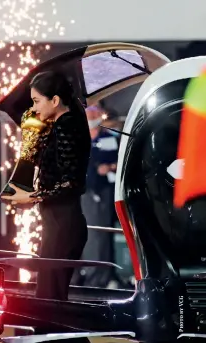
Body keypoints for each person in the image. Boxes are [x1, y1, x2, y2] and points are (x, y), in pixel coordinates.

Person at [1, 70, 91, 300]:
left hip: (64, 222)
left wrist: (32, 197)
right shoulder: (57, 125)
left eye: (36, 101)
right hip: (58, 223)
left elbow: (71, 183)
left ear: (55, 100)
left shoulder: (67, 126)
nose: (33, 108)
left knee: (50, 300)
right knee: (50, 298)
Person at [74, 105, 120, 288]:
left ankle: (103, 276)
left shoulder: (110, 138)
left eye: (95, 111)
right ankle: (92, 276)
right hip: (85, 193)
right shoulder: (78, 138)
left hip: (105, 191)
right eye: (89, 112)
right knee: (90, 236)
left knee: (103, 234)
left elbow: (119, 160)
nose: (92, 115)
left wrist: (109, 167)